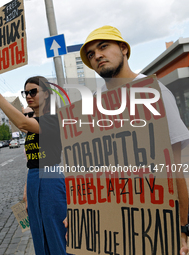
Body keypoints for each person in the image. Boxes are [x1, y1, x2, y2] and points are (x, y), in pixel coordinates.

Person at [64, 25, 189, 255]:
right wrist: (79, 212)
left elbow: (174, 167)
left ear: (123, 49)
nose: (97, 55)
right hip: (112, 225)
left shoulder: (154, 93)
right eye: (90, 54)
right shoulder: (94, 102)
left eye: (103, 47)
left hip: (153, 220)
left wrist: (183, 228)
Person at [0, 72, 68, 255]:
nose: (28, 96)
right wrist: (26, 189)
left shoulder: (53, 119)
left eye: (33, 92)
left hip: (51, 180)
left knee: (56, 233)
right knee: (38, 233)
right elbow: (33, 160)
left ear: (46, 93)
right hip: (34, 180)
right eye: (25, 93)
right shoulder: (33, 124)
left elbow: (22, 123)